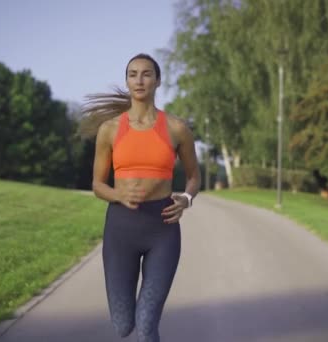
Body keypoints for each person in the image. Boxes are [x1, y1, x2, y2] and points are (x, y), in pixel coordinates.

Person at [78, 53, 201, 342]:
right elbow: (97, 184)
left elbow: (194, 176)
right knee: (123, 326)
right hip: (121, 228)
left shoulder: (176, 128)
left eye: (146, 74)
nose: (139, 80)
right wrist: (118, 193)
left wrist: (186, 198)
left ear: (157, 81)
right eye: (132, 74)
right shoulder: (110, 130)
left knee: (146, 324)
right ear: (127, 81)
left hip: (163, 228)